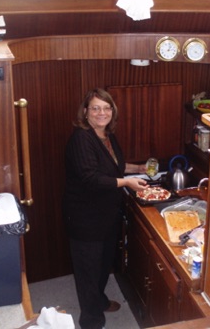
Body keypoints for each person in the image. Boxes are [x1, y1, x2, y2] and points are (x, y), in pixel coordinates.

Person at [62, 88, 149, 329]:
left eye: (107, 108)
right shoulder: (82, 138)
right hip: (85, 219)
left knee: (102, 266)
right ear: (86, 112)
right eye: (96, 108)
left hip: (106, 215)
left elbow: (114, 166)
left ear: (113, 111)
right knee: (88, 273)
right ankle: (91, 322)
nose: (102, 112)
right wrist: (127, 182)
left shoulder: (106, 135)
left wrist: (137, 168)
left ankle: (99, 301)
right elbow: (91, 178)